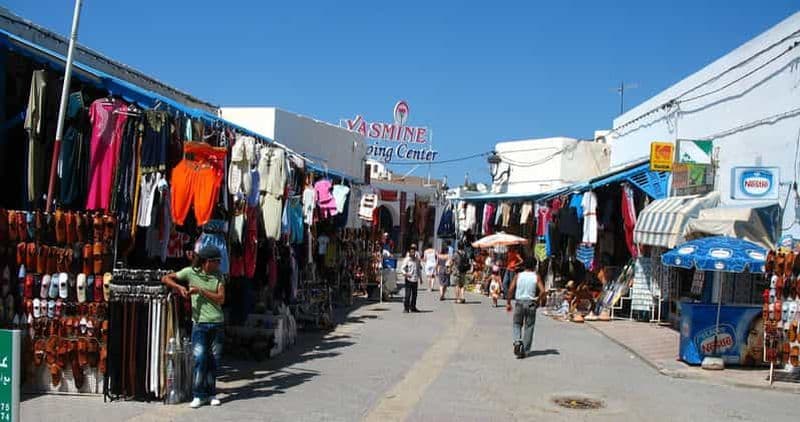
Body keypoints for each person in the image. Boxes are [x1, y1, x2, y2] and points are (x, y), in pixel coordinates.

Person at [161, 246, 226, 408]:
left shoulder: (218, 276)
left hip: (217, 322)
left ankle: (211, 393)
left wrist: (201, 291)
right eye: (216, 261)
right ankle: (198, 394)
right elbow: (166, 278)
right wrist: (179, 287)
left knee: (213, 361)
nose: (219, 264)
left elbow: (221, 298)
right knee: (200, 359)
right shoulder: (190, 272)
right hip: (200, 324)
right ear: (207, 262)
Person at [506, 257, 545, 359]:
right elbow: (543, 291)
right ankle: (525, 350)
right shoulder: (536, 276)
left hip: (519, 302)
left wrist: (509, 302)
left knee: (517, 324)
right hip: (531, 303)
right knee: (529, 326)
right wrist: (538, 300)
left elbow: (510, 289)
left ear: (524, 265)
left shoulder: (518, 276)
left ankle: (517, 341)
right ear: (534, 266)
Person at [401, 244, 422, 313]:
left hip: (415, 279)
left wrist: (420, 278)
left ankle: (413, 307)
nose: (412, 253)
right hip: (408, 279)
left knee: (414, 295)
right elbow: (402, 269)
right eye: (411, 252)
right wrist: (406, 274)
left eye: (414, 252)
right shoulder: (407, 260)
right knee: (408, 295)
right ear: (409, 252)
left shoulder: (417, 260)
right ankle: (406, 308)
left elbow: (418, 269)